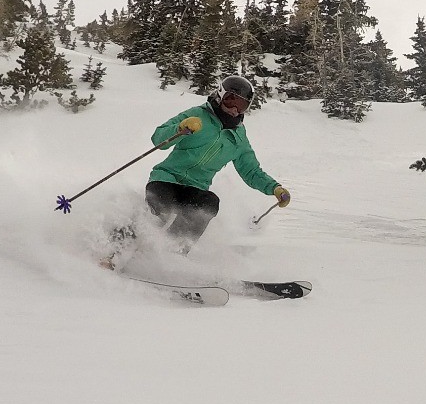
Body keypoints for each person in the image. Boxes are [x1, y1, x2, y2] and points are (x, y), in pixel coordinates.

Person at [101, 74, 290, 269]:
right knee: (160, 209)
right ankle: (113, 251)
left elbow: (251, 171)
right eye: (231, 100)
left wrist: (274, 188)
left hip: (196, 188)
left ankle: (171, 256)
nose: (234, 109)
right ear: (220, 95)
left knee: (208, 203)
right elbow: (158, 138)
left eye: (241, 105)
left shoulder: (238, 137)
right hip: (166, 179)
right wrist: (180, 128)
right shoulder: (198, 115)